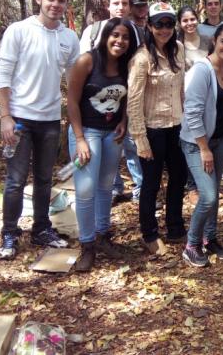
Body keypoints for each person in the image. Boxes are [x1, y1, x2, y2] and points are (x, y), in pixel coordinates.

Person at [0, 0, 80, 260]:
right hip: (20, 119)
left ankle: (42, 228)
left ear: (67, 4)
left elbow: (74, 79)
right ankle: (9, 234)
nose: (55, 5)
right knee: (16, 181)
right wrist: (5, 116)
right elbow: (3, 74)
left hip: (50, 120)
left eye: (61, 0)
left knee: (44, 179)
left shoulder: (68, 37)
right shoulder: (19, 31)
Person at [67, 18, 137, 271]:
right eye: (115, 35)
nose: (120, 41)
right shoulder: (87, 61)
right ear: (106, 36)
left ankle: (103, 234)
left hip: (112, 133)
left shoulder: (126, 66)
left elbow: (128, 97)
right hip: (86, 131)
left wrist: (124, 120)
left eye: (125, 37)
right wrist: (80, 138)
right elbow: (72, 101)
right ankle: (87, 245)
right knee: (86, 190)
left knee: (106, 187)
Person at [127, 3, 189, 254]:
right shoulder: (141, 59)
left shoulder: (179, 50)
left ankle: (175, 226)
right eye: (159, 24)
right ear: (150, 26)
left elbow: (182, 88)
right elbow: (134, 101)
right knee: (151, 183)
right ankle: (149, 233)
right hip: (152, 129)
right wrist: (140, 139)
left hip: (177, 126)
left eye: (169, 24)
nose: (165, 29)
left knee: (179, 177)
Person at [179, 23, 223, 267]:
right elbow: (192, 113)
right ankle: (191, 245)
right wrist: (204, 148)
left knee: (213, 195)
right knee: (207, 195)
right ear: (214, 40)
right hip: (198, 143)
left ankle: (210, 238)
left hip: (221, 139)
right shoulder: (201, 70)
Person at [79, 0, 144, 203]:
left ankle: (139, 187)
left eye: (125, 4)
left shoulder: (136, 31)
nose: (120, 7)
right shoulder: (94, 31)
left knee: (131, 144)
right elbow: (81, 65)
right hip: (98, 102)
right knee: (108, 147)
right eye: (116, 3)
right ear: (107, 6)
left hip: (128, 96)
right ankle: (114, 187)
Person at [177, 6, 209, 71]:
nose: (189, 23)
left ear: (197, 20)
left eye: (192, 19)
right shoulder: (177, 44)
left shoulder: (207, 41)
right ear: (180, 23)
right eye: (185, 21)